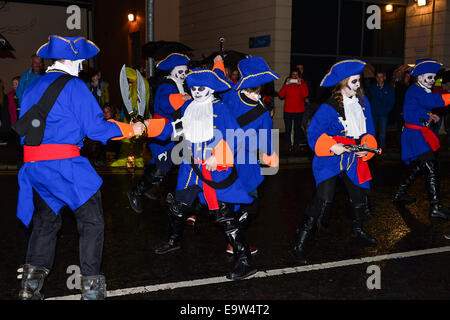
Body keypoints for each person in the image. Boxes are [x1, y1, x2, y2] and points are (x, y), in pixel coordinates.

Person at [13, 35, 150, 300]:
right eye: (82, 60)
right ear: (74, 61)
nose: (84, 64)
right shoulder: (75, 86)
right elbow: (96, 129)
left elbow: (24, 130)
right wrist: (131, 129)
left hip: (34, 167)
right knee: (92, 222)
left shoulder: (32, 87)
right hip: (63, 166)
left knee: (45, 223)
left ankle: (29, 288)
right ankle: (91, 291)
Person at [151, 68, 258, 280]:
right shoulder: (189, 106)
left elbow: (236, 136)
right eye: (194, 88)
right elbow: (177, 129)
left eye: (201, 88)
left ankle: (245, 261)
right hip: (190, 168)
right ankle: (174, 241)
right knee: (179, 206)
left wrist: (218, 156)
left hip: (214, 169)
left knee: (224, 215)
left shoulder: (221, 109)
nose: (197, 92)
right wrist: (147, 127)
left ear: (210, 89)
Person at [290, 59, 378, 265]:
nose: (358, 86)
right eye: (354, 82)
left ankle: (357, 231)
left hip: (353, 156)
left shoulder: (363, 103)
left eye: (359, 81)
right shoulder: (329, 108)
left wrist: (367, 147)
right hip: (329, 157)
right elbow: (313, 134)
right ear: (343, 83)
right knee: (324, 200)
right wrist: (332, 147)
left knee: (359, 196)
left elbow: (369, 130)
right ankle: (298, 244)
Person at [213, 55, 279, 256]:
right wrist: (269, 157)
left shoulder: (230, 94)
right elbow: (266, 141)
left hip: (221, 155)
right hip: (244, 161)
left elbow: (217, 82)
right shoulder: (262, 112)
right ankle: (236, 240)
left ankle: (233, 242)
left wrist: (218, 64)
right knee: (250, 204)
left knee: (232, 201)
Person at [127, 53, 191, 214]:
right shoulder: (166, 85)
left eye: (186, 71)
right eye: (180, 71)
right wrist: (181, 99)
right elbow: (163, 105)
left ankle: (161, 190)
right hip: (162, 134)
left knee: (179, 165)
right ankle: (136, 192)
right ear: (172, 71)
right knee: (161, 168)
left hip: (176, 134)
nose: (183, 74)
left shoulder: (183, 85)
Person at [393, 59, 450, 221]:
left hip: (421, 133)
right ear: (419, 78)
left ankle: (401, 192)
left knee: (420, 165)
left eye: (433, 77)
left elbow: (419, 108)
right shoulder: (415, 91)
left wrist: (429, 115)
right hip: (415, 135)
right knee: (431, 167)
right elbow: (428, 102)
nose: (432, 80)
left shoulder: (423, 89)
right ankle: (435, 207)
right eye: (429, 77)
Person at [278, 69, 309, 151]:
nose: (294, 76)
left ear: (299, 76)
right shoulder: (288, 83)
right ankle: (287, 144)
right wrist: (286, 84)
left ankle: (296, 145)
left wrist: (300, 84)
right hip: (288, 110)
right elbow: (281, 95)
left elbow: (305, 94)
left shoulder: (302, 83)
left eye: (296, 75)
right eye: (293, 74)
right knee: (288, 129)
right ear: (290, 75)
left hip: (299, 110)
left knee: (297, 129)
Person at [367, 71, 395, 151]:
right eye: (378, 77)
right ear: (376, 78)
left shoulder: (389, 88)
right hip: (374, 113)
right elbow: (369, 100)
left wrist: (386, 111)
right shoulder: (372, 88)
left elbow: (392, 101)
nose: (379, 79)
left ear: (384, 78)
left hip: (384, 114)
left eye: (381, 77)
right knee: (373, 132)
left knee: (382, 133)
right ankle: (373, 148)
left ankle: (382, 149)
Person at [393, 71, 411, 149]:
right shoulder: (400, 86)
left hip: (409, 111)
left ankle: (406, 144)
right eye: (406, 76)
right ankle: (400, 145)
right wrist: (401, 110)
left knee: (407, 129)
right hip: (401, 111)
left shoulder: (410, 86)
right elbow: (398, 99)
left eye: (409, 77)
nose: (407, 78)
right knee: (400, 129)